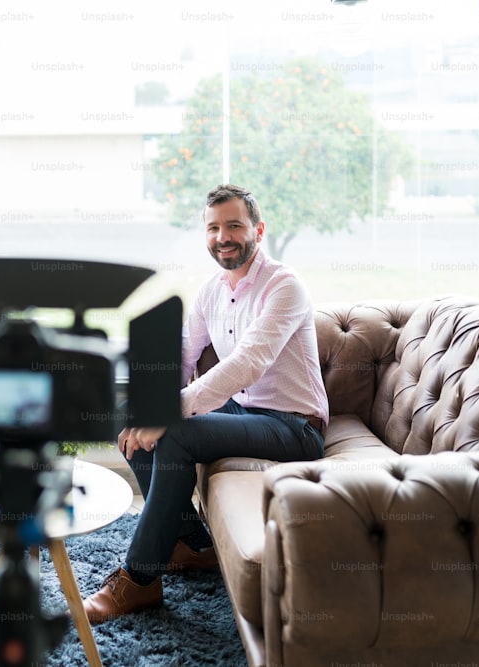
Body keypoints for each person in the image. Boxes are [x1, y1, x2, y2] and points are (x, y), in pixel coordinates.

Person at [82, 184, 328, 622]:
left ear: (258, 230)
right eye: (213, 228)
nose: (223, 237)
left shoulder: (284, 286)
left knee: (176, 434)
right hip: (243, 413)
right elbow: (182, 354)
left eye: (234, 225)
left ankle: (139, 580)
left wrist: (172, 411)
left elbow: (251, 360)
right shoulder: (212, 291)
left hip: (295, 426)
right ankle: (191, 543)